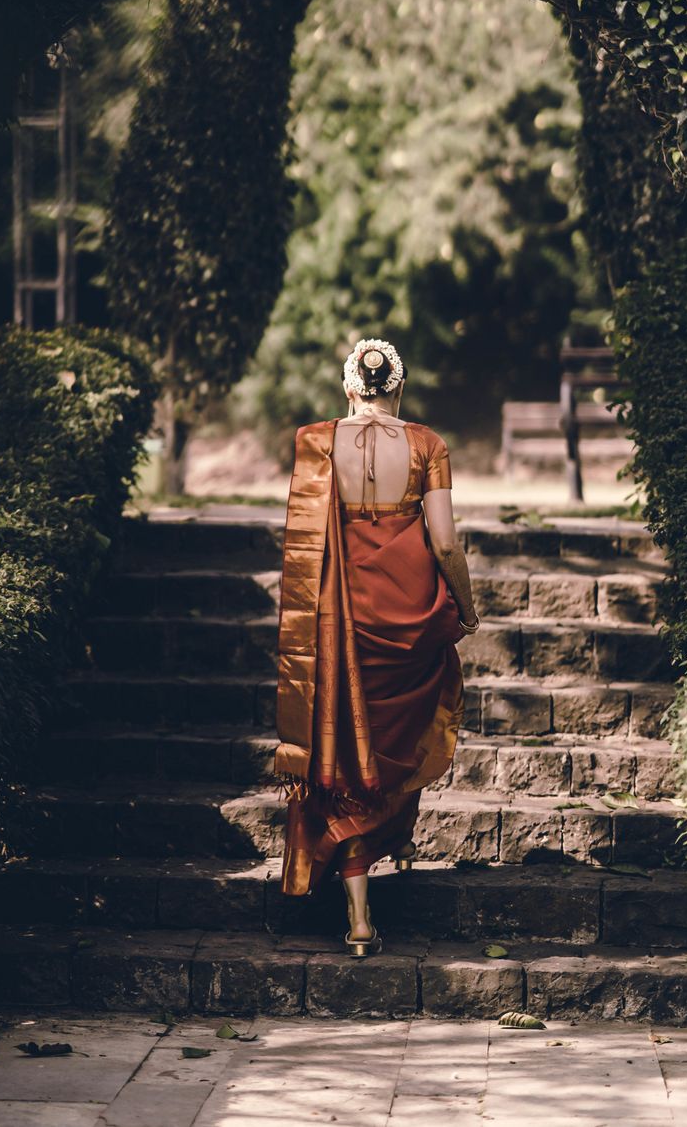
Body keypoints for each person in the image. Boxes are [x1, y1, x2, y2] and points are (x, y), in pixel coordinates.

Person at [273, 336, 481, 956]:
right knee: (393, 741)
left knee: (344, 752)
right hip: (408, 614)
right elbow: (444, 544)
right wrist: (464, 610)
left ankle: (359, 919)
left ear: (348, 389)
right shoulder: (427, 446)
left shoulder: (316, 443)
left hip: (336, 618)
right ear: (400, 388)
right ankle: (390, 848)